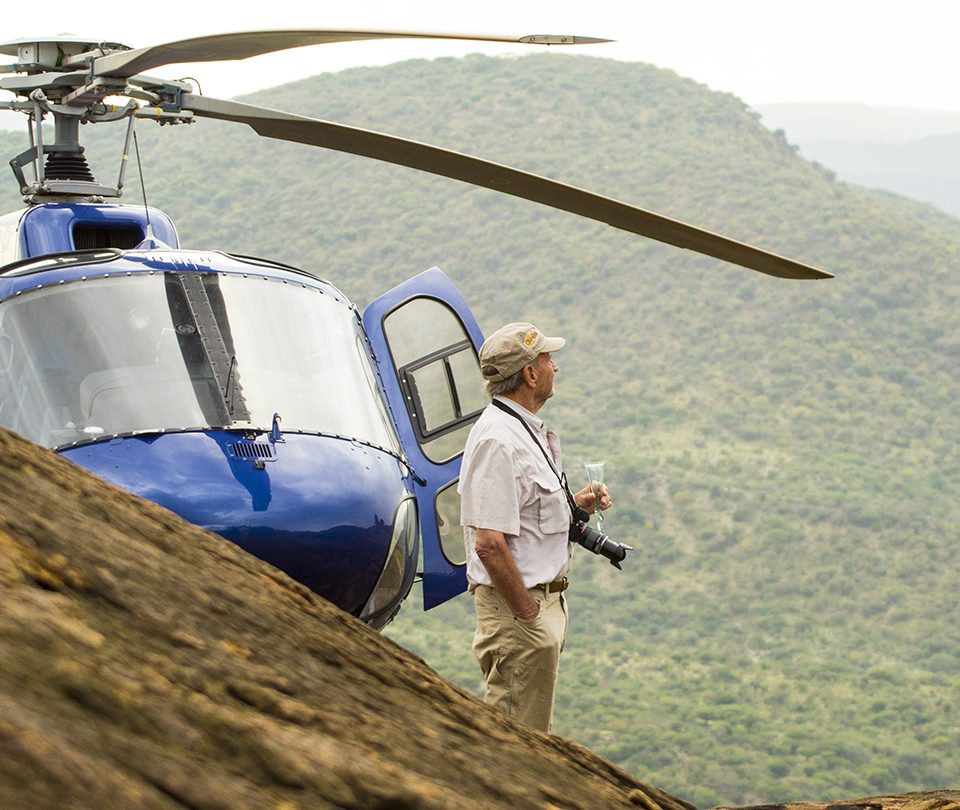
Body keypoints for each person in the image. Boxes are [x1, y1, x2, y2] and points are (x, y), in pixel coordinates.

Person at [458, 321, 611, 733]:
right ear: (529, 374)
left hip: (540, 610)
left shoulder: (521, 429)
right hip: (520, 613)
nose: (554, 367)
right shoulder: (498, 440)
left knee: (529, 737)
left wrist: (574, 504)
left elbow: (521, 515)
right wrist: (528, 617)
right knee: (515, 747)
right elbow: (489, 543)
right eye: (547, 358)